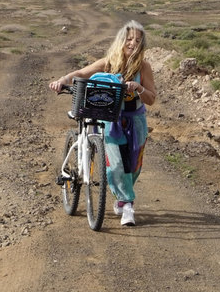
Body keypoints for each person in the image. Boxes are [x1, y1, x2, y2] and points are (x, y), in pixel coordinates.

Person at [49, 20, 156, 226]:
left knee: (133, 166)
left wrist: (138, 88)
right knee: (116, 164)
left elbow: (151, 98)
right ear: (121, 40)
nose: (133, 43)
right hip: (112, 121)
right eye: (129, 39)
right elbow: (81, 74)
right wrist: (62, 80)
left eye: (138, 40)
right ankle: (127, 205)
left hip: (136, 121)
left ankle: (123, 198)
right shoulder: (109, 63)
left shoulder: (144, 67)